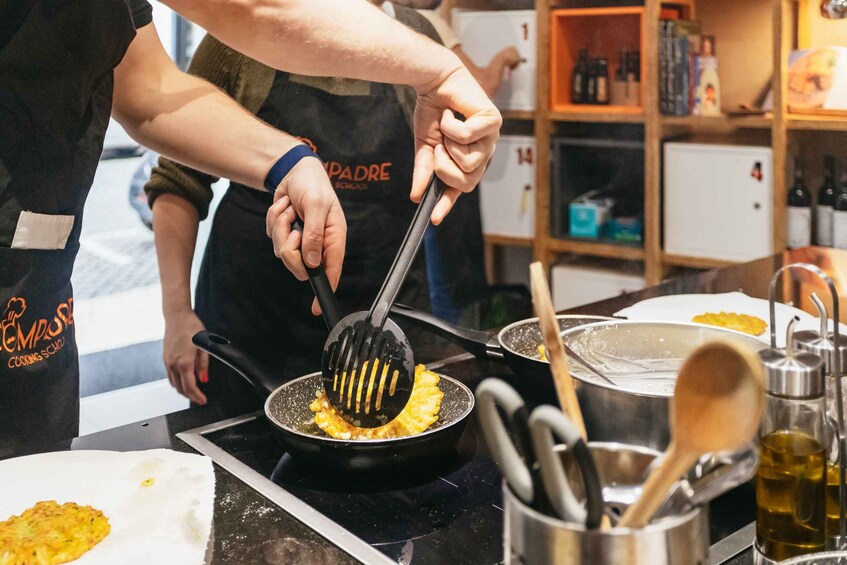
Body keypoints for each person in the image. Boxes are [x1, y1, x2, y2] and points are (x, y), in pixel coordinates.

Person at [0, 0, 500, 456]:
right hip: (252, 319)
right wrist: (441, 70)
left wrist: (291, 161)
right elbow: (258, 8)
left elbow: (147, 88)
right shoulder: (245, 45)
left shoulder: (411, 38)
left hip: (35, 300)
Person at [146, 0, 444, 407]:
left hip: (382, 323)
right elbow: (179, 181)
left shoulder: (419, 38)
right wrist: (177, 313)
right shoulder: (245, 29)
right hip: (255, 322)